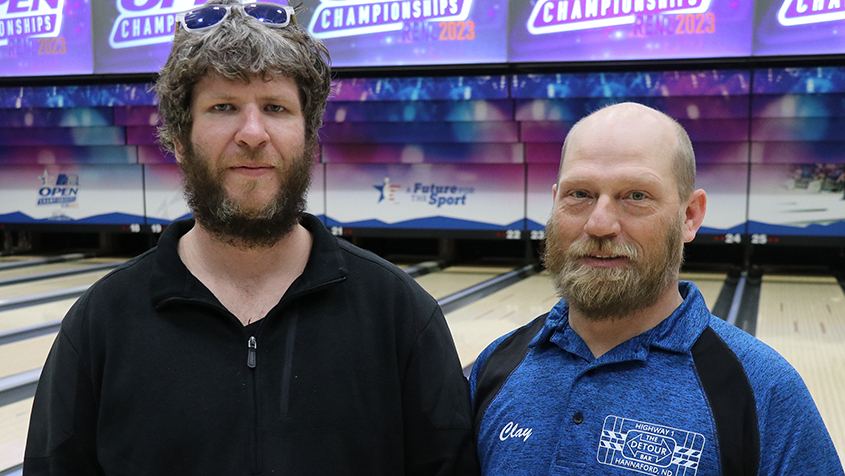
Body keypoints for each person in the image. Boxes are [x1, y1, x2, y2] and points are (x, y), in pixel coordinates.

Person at [24, 1, 477, 474]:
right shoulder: (100, 325)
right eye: (223, 107)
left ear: (308, 136)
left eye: (276, 107)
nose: (253, 133)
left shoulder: (400, 315)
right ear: (180, 139)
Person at [469, 102, 844, 475]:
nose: (600, 224)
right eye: (579, 194)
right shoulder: (497, 365)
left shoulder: (763, 390)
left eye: (636, 196)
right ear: (555, 204)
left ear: (690, 216)